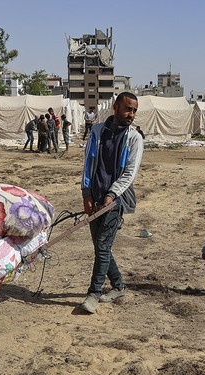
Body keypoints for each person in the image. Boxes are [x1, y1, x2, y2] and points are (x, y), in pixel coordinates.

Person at [79, 92, 144, 314]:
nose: (131, 114)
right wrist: (87, 194)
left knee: (103, 245)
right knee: (100, 246)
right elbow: (88, 164)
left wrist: (112, 195)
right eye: (128, 109)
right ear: (115, 107)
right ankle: (118, 286)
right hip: (95, 197)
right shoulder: (97, 132)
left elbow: (129, 173)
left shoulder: (134, 138)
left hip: (116, 199)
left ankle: (94, 293)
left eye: (134, 110)